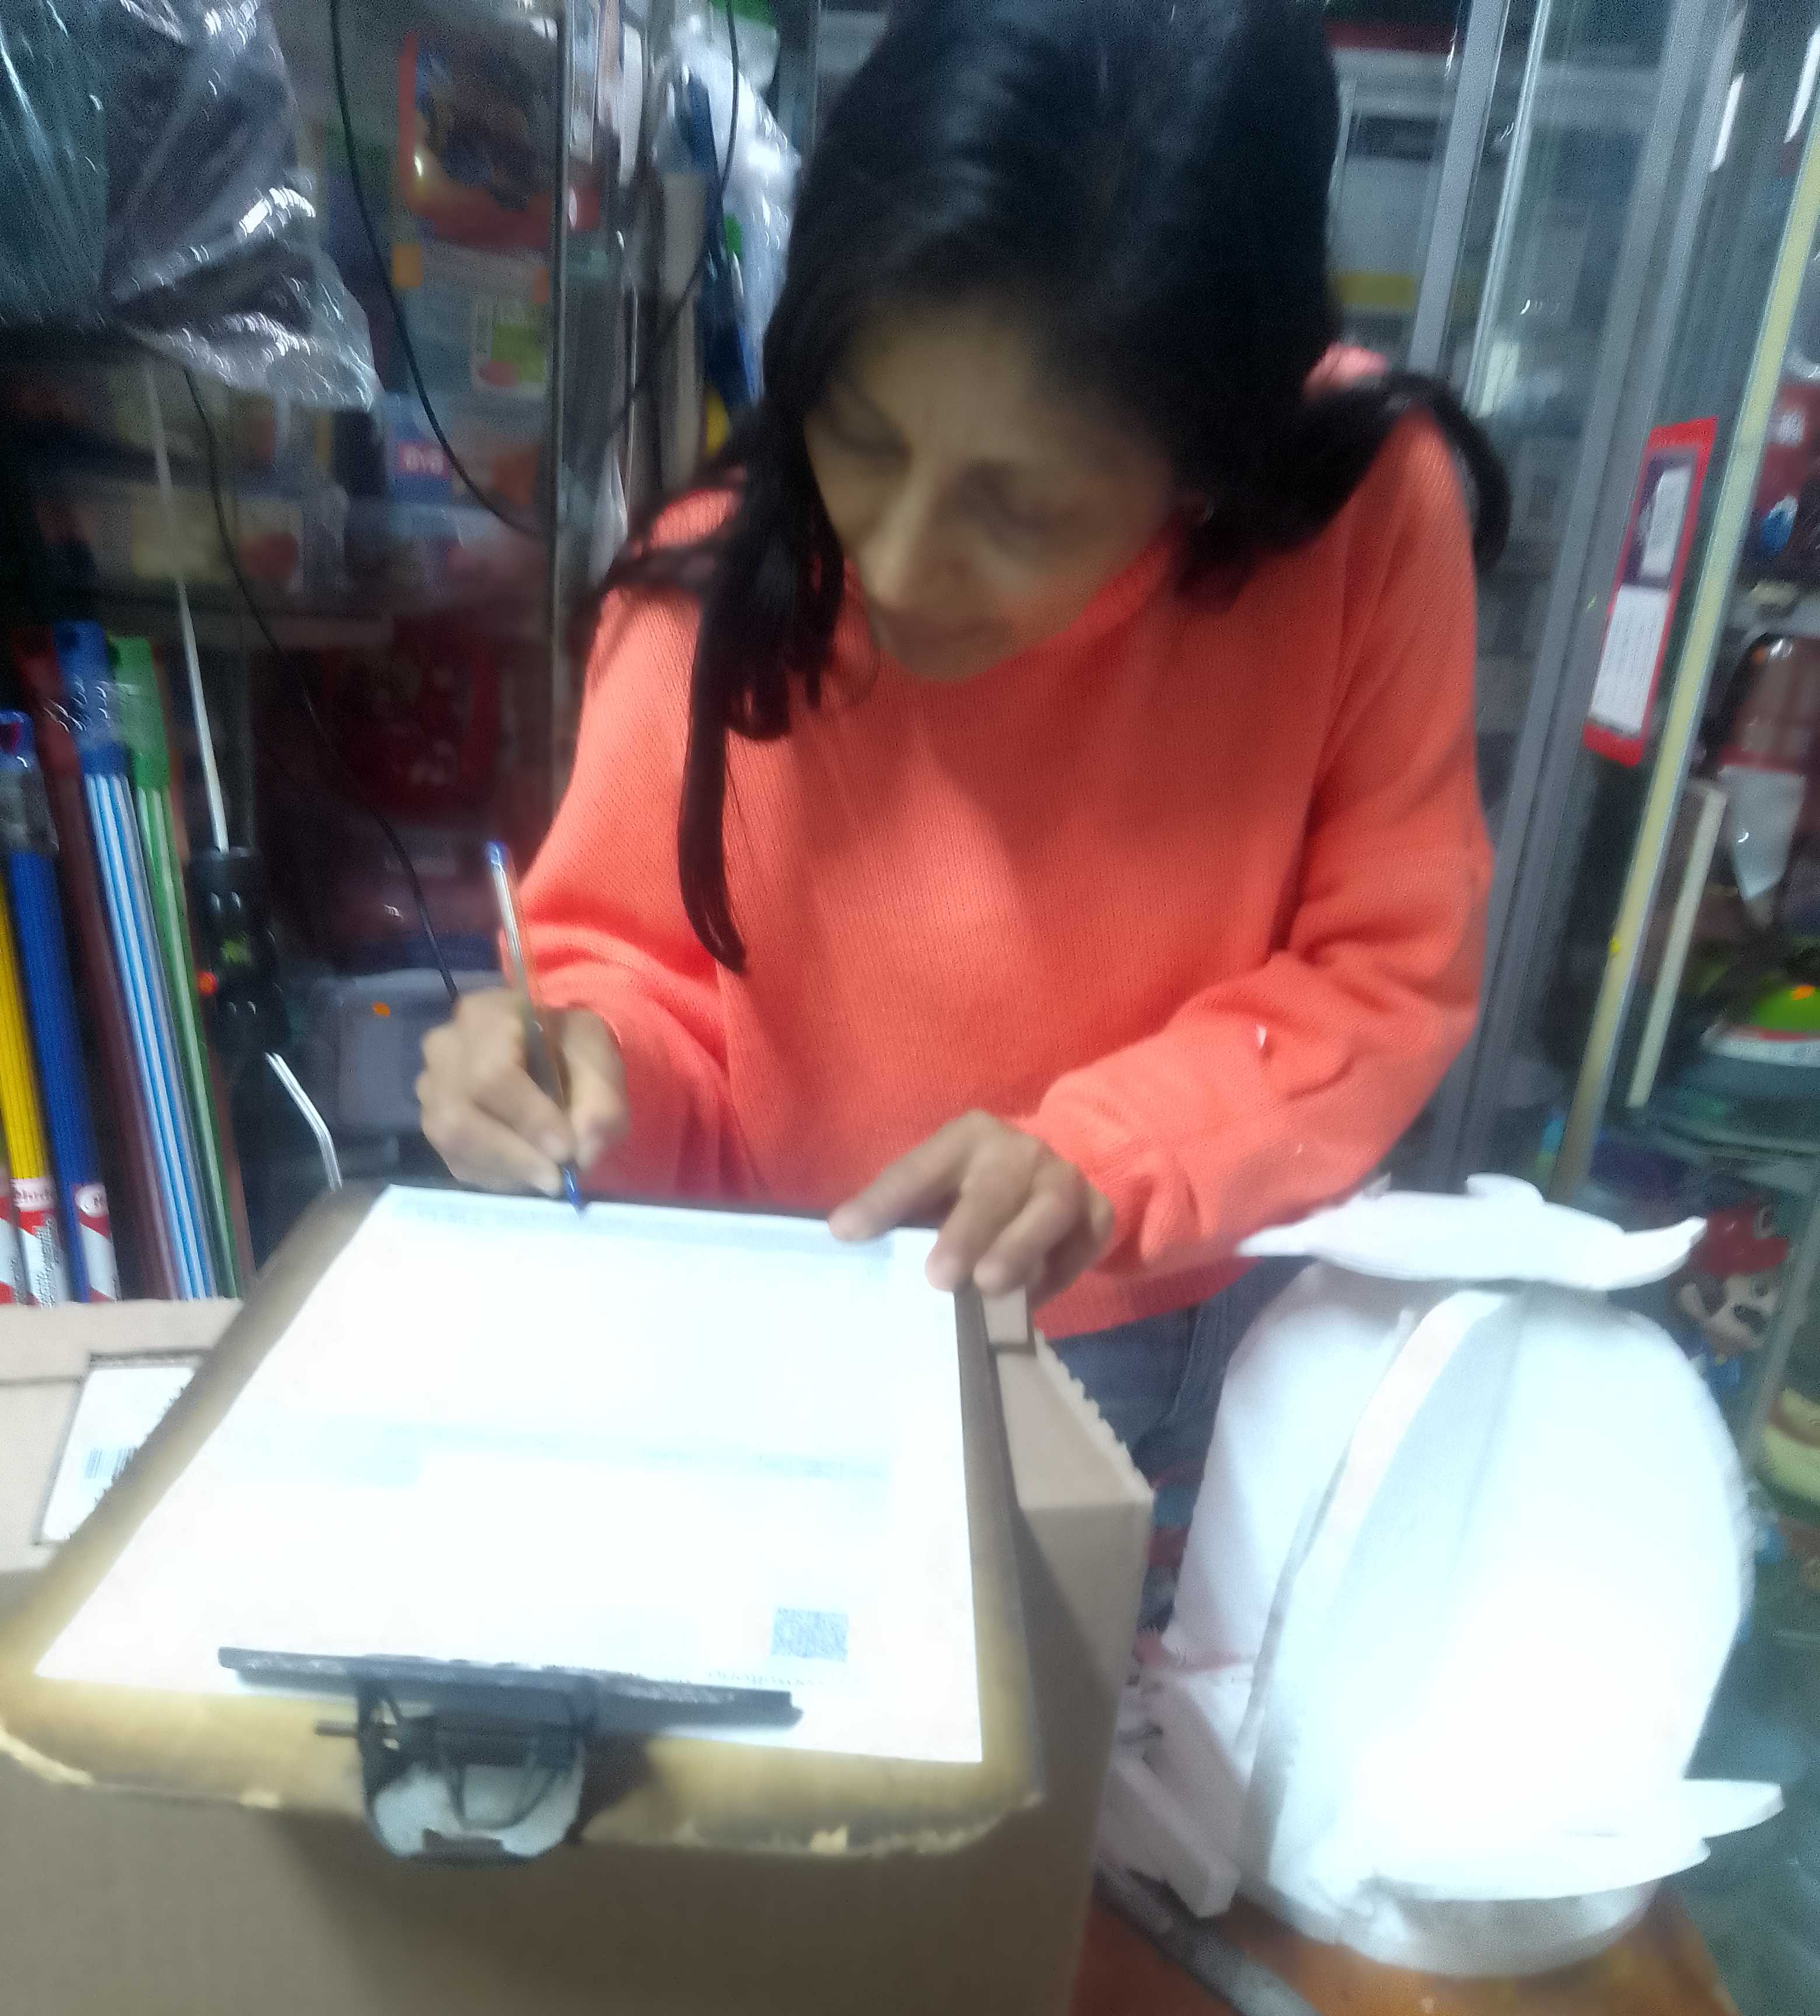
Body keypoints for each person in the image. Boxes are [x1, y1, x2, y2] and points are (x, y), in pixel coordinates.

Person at [418, 0, 1508, 1622]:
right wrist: (577, 1068)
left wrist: (1105, 1157)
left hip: (1143, 1323)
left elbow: (1385, 970)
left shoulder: (1356, 522)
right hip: (774, 1305)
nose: (902, 561)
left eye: (1023, 507)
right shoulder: (716, 585)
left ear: (1206, 464)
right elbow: (638, 988)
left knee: (1096, 1734)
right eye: (861, 440)